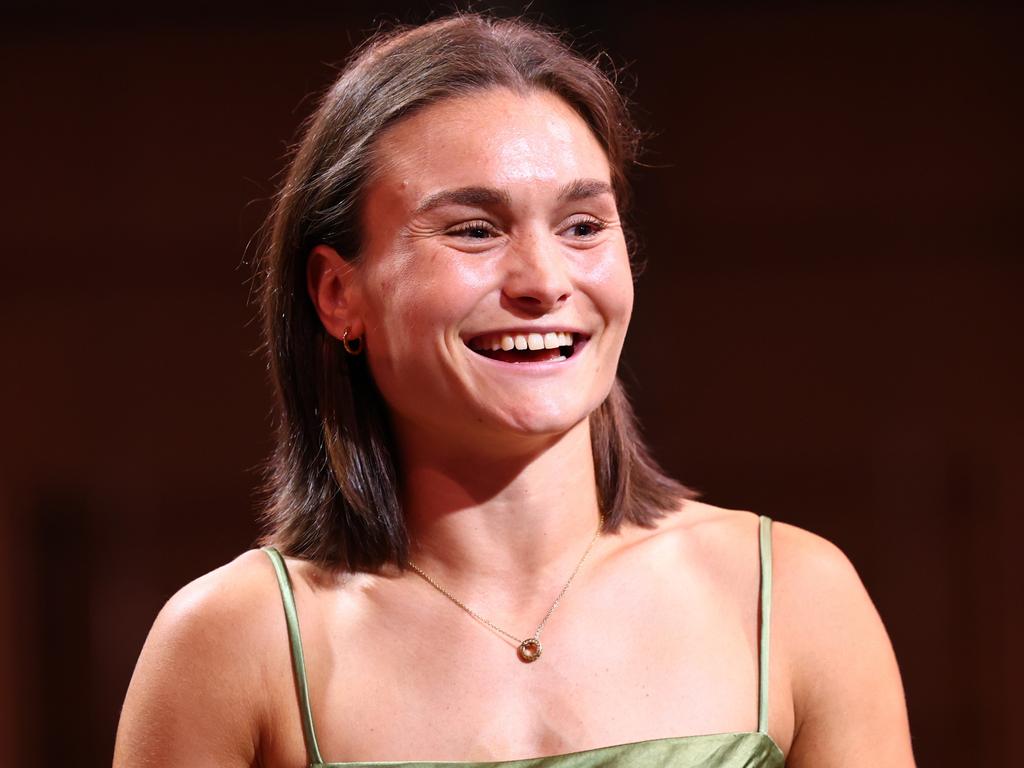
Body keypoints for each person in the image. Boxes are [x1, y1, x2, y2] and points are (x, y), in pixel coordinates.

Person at [113, 13, 915, 768]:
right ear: (337, 295)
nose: (543, 281)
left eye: (582, 225)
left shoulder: (793, 598)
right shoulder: (230, 641)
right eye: (474, 228)